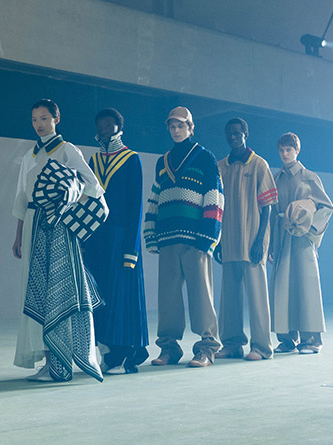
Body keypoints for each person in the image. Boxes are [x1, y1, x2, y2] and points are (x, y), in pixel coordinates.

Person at [12, 99, 105, 381]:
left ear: (56, 118)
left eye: (44, 118)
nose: (39, 124)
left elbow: (93, 187)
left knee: (56, 290)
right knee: (35, 291)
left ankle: (59, 360)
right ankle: (47, 357)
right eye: (34, 119)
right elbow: (21, 197)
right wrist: (18, 235)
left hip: (56, 230)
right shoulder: (30, 155)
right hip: (32, 226)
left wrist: (67, 207)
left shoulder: (67, 150)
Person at [143, 106, 223, 368]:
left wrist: (209, 236)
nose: (176, 130)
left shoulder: (205, 157)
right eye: (172, 126)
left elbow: (215, 195)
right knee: (168, 298)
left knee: (201, 296)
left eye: (181, 126)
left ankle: (207, 348)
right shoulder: (163, 161)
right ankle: (169, 348)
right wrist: (151, 232)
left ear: (190, 127)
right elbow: (155, 197)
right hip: (168, 238)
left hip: (196, 238)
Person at [82, 108, 149, 374]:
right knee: (100, 296)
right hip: (98, 239)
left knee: (121, 297)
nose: (103, 130)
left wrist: (131, 249)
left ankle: (125, 355)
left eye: (109, 126)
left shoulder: (132, 159)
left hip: (122, 240)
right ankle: (107, 353)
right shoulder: (93, 160)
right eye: (100, 126)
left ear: (119, 127)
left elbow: (136, 208)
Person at [214, 118, 277, 361]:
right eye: (229, 133)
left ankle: (261, 347)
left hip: (252, 241)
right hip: (229, 239)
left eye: (237, 132)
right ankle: (232, 344)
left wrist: (260, 240)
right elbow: (217, 205)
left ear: (246, 134)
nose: (233, 136)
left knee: (257, 296)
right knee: (229, 296)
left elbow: (268, 206)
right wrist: (218, 240)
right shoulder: (221, 166)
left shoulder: (259, 164)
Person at [269, 132, 333, 354]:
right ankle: (286, 339)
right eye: (281, 150)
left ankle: (312, 339)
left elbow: (326, 207)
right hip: (281, 238)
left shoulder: (309, 177)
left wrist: (309, 229)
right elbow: (271, 213)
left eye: (289, 150)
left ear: (297, 150)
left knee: (306, 287)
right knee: (282, 288)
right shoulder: (275, 179)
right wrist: (270, 244)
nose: (285, 154)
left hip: (303, 241)